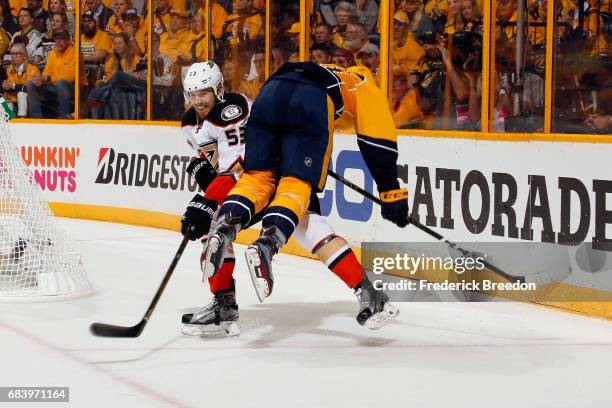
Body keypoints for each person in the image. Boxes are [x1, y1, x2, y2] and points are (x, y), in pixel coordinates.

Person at [179, 61, 399, 335]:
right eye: (193, 93)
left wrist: (207, 199)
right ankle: (365, 292)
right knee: (308, 227)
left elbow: (241, 166)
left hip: (264, 175)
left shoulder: (231, 111)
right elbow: (220, 158)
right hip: (276, 168)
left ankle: (225, 300)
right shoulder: (194, 122)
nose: (198, 100)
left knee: (302, 229)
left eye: (204, 93)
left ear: (218, 89)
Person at [26, 29, 75, 118]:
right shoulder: (52, 54)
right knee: (31, 83)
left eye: (62, 39)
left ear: (68, 41)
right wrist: (40, 79)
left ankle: (63, 118)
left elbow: (70, 77)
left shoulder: (75, 53)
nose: (58, 42)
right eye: (56, 39)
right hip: (54, 87)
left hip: (74, 88)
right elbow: (46, 73)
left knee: (61, 83)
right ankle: (36, 118)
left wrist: (47, 79)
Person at [2, 43, 40, 117]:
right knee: (3, 99)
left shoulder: (32, 69)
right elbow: (11, 85)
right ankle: (9, 118)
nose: (15, 56)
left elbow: (28, 88)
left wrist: (12, 85)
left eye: (18, 54)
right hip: (14, 97)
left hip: (31, 99)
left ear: (24, 56)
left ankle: (22, 117)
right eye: (13, 54)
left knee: (21, 94)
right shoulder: (9, 69)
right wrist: (6, 86)